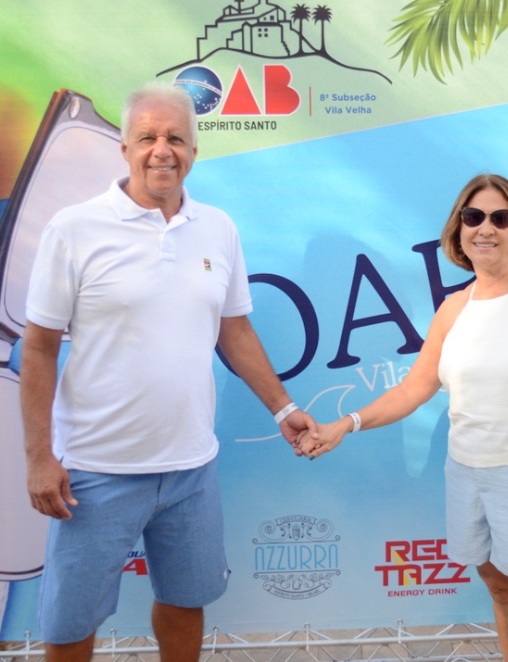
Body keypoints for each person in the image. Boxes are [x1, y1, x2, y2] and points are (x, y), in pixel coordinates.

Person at [21, 82, 317, 662]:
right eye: (148, 137)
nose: (163, 150)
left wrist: (283, 408)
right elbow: (37, 350)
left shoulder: (218, 228)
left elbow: (234, 331)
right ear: (125, 149)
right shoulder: (74, 229)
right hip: (95, 471)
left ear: (194, 151)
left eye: (176, 138)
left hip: (191, 468)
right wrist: (38, 458)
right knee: (70, 623)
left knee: (185, 602)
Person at [300, 174, 508, 661]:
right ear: (459, 229)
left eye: (499, 218)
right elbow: (414, 389)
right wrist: (345, 424)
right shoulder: (453, 309)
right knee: (501, 594)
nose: (485, 228)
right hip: (469, 476)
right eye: (474, 217)